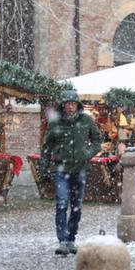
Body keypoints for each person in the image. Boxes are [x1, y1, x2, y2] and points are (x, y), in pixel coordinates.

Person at [40, 90, 102, 255]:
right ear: (63, 105)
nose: (70, 107)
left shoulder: (86, 120)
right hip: (61, 170)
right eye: (68, 104)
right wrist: (44, 169)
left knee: (76, 206)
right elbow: (46, 148)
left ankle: (71, 238)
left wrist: (88, 153)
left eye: (73, 104)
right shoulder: (55, 123)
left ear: (77, 105)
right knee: (61, 203)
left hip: (80, 170)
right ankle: (63, 240)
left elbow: (98, 140)